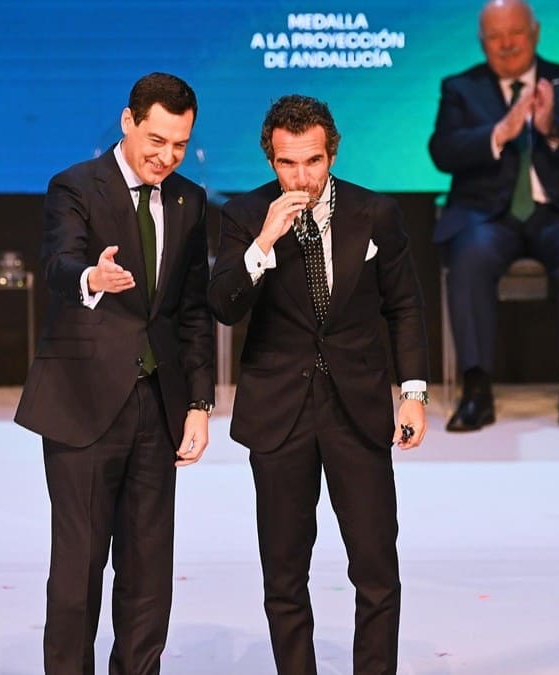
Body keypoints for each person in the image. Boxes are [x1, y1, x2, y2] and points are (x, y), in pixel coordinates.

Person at [208, 94, 429, 675]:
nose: (301, 177)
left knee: (377, 567)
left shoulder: (375, 212)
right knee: (283, 573)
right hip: (279, 412)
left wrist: (413, 392)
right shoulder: (243, 214)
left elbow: (404, 304)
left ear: (331, 152)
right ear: (271, 160)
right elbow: (224, 306)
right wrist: (262, 244)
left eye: (312, 161)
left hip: (356, 408)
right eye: (287, 163)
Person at [14, 72, 215, 675]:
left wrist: (200, 404)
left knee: (149, 571)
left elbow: (193, 309)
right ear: (128, 122)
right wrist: (89, 279)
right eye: (156, 140)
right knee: (77, 572)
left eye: (179, 145)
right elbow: (57, 260)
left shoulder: (189, 201)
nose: (166, 156)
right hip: (82, 405)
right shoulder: (75, 185)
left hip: (158, 405)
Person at [429, 0, 559, 433]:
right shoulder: (460, 87)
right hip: (487, 218)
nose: (506, 44)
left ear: (535, 33)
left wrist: (552, 128)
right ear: (481, 41)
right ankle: (476, 391)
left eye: (515, 33)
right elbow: (443, 151)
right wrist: (499, 132)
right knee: (469, 256)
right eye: (494, 36)